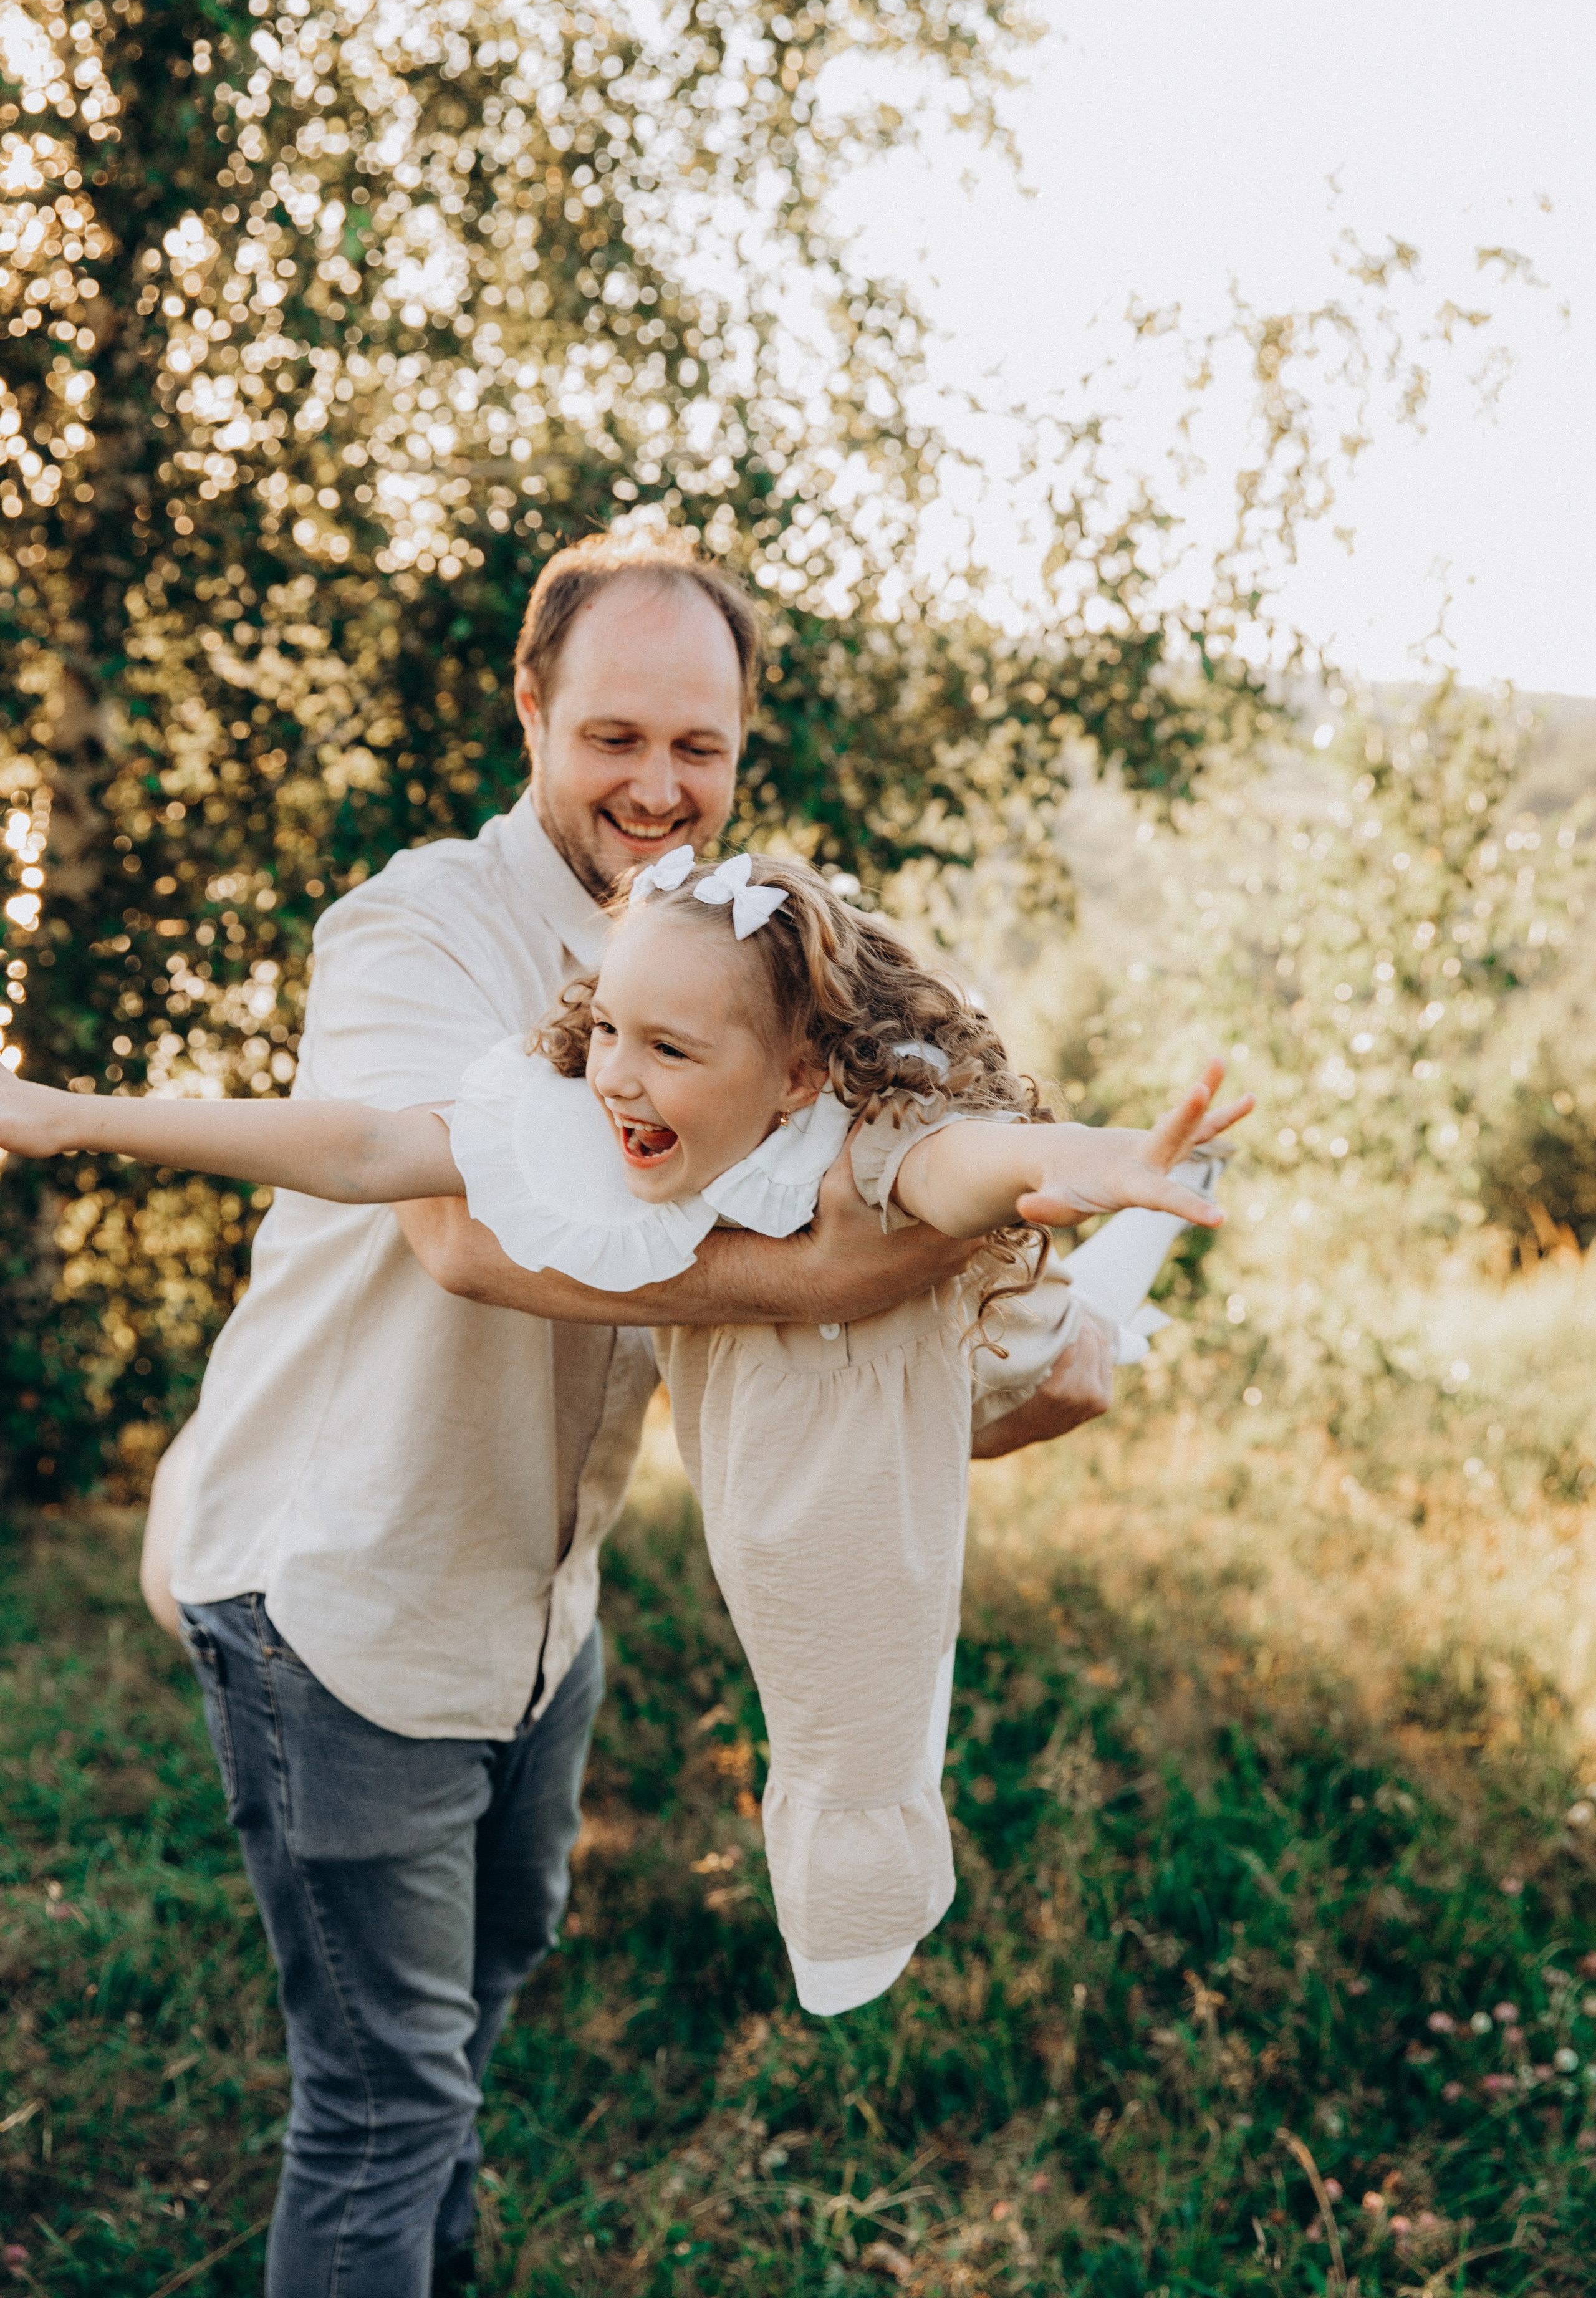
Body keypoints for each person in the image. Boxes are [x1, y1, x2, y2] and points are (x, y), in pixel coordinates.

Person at [4, 526, 1115, 2298]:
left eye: (701, 747)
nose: (659, 787)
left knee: (462, 2027)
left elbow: (812, 1290)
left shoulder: (736, 966)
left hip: (538, 1608)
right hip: (339, 1591)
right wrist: (841, 1278)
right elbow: (458, 1228)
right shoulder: (418, 927)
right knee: (376, 2104)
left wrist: (999, 1369)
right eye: (615, 737)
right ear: (531, 708)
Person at [0, 849, 1244, 2026]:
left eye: (667, 1048)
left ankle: (1139, 1247)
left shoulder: (851, 1147)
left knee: (914, 1606)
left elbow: (966, 1165)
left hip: (978, 1359)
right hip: (807, 1421)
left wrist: (1093, 1160)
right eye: (605, 1029)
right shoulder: (582, 1126)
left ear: (796, 1072)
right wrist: (72, 1117)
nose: (614, 1076)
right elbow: (366, 1142)